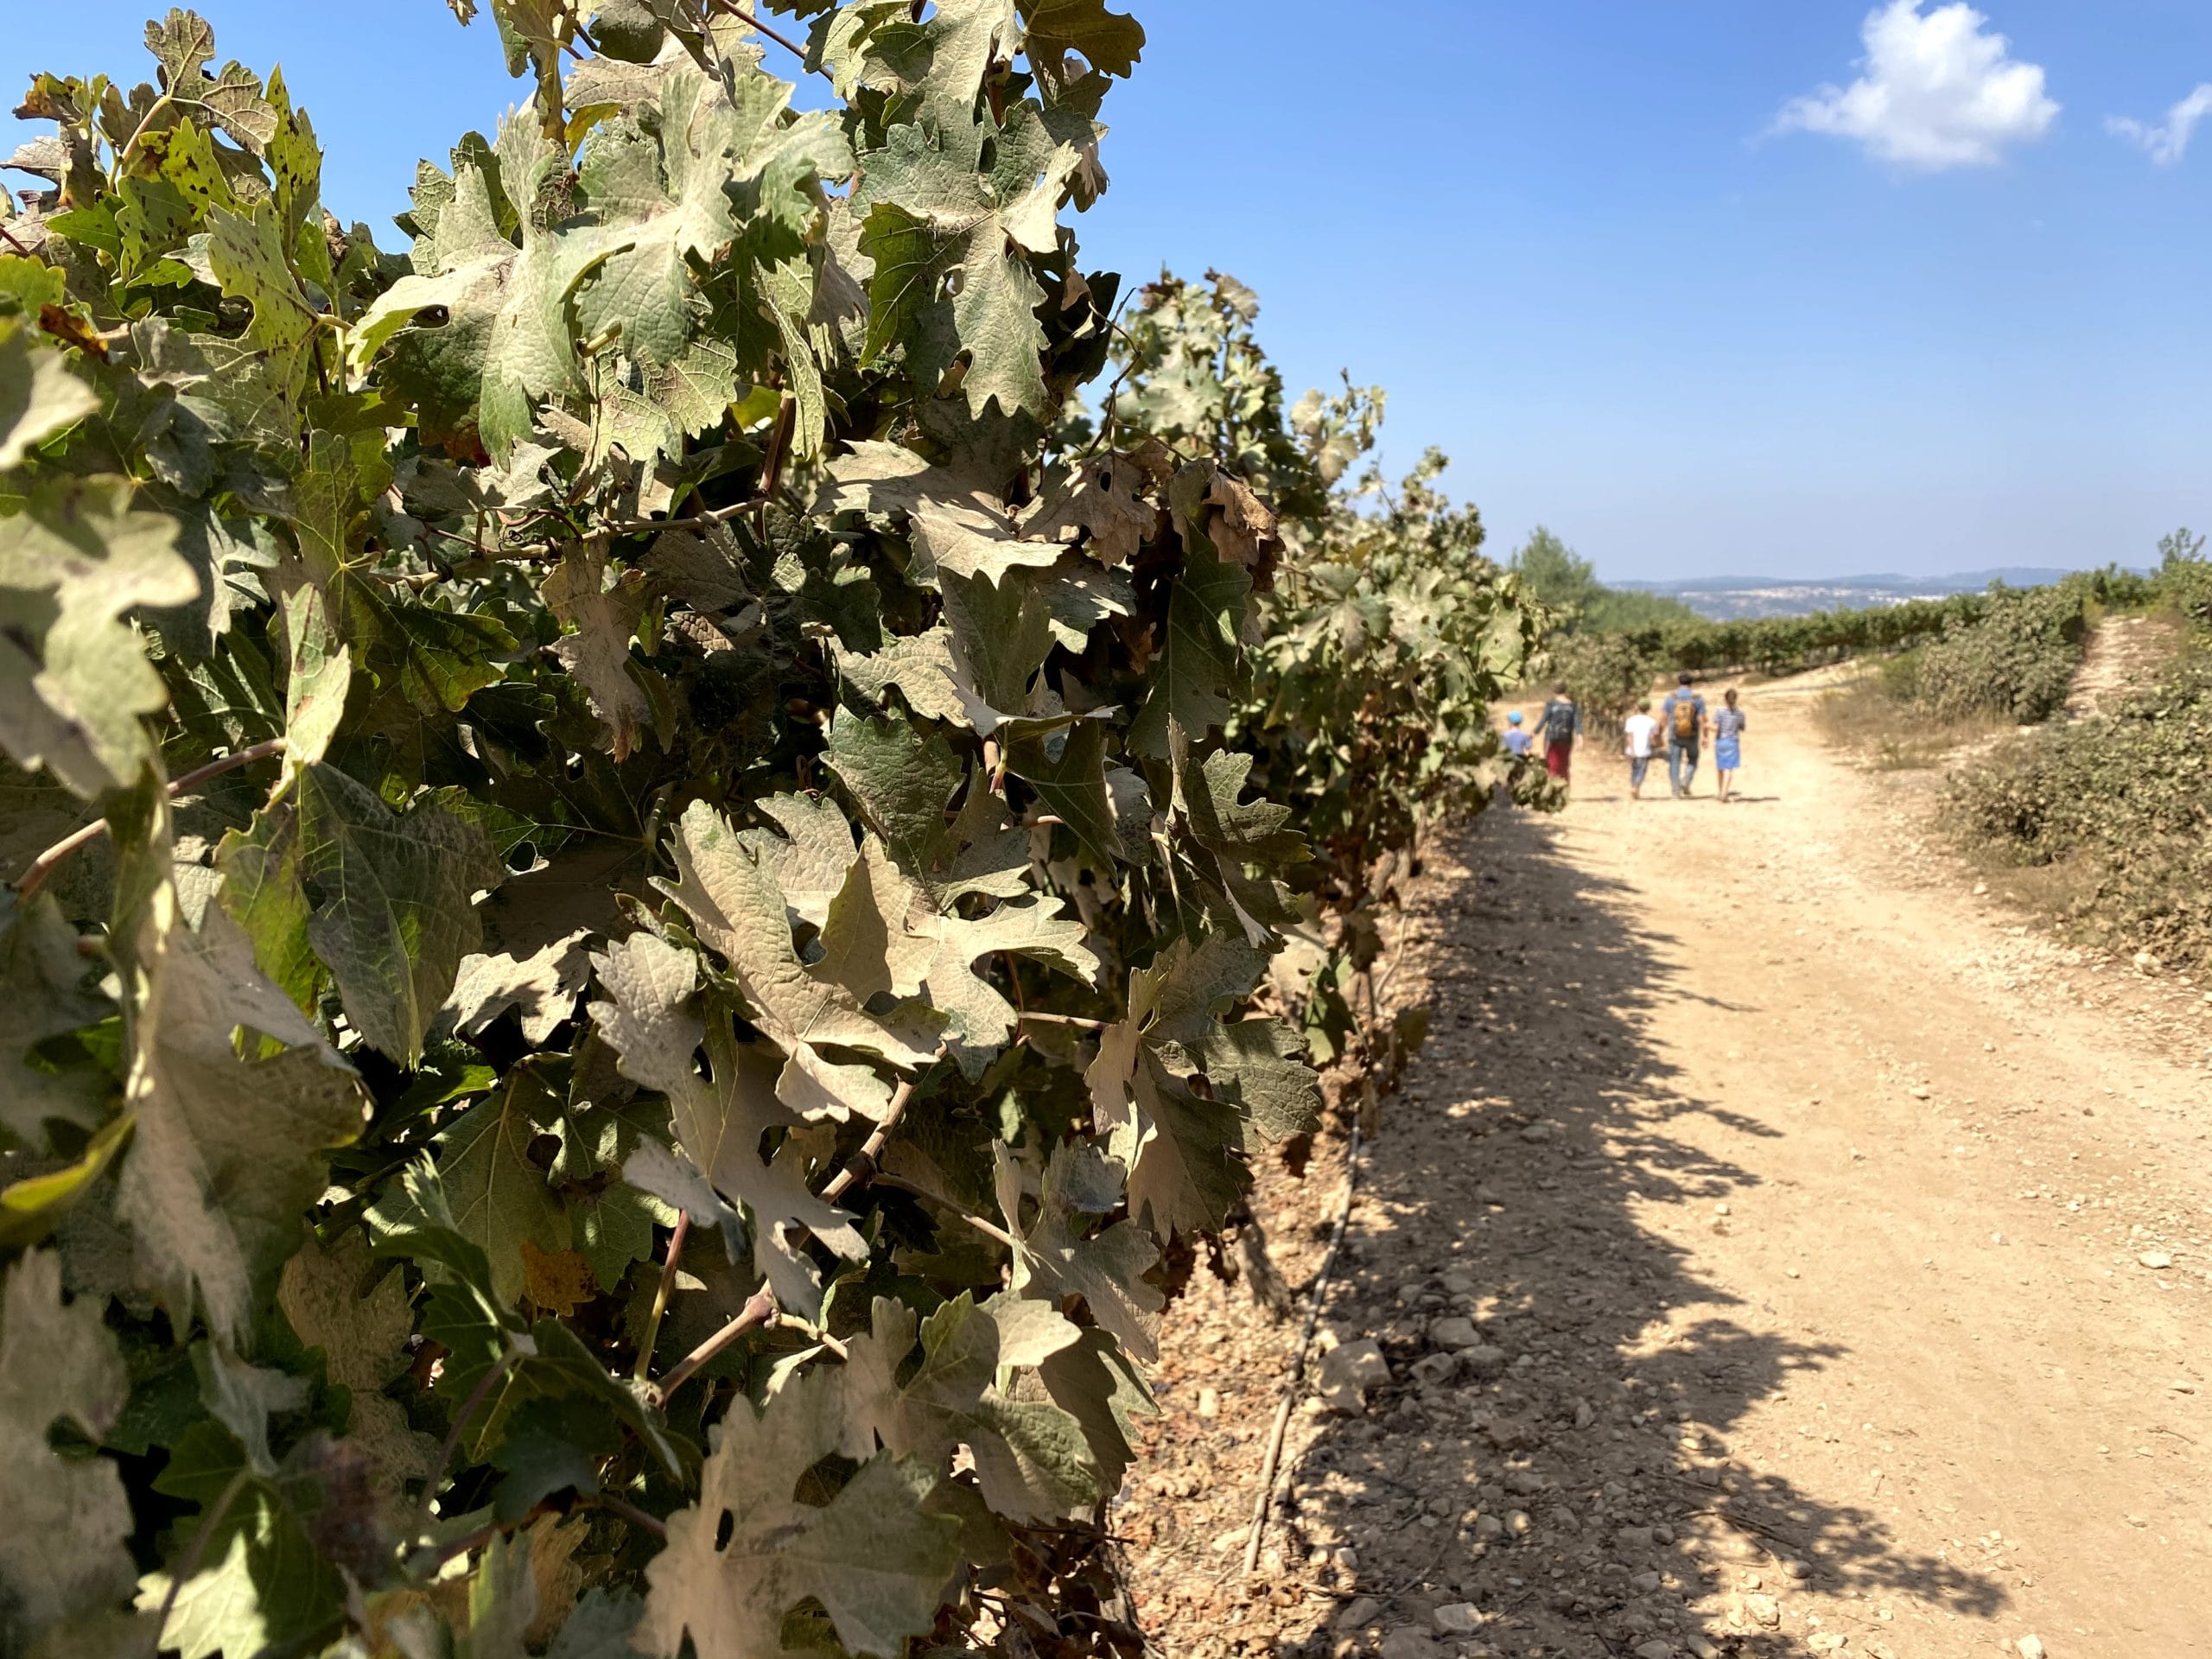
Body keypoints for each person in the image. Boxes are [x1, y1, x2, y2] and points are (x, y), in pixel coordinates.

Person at [1661, 672, 1707, 798]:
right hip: (1692, 735)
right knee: (1693, 758)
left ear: (1679, 682)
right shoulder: (1697, 698)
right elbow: (1702, 719)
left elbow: (1664, 719)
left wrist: (1659, 734)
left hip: (1675, 735)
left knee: (1674, 762)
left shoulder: (1671, 697)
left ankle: (1675, 791)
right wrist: (1705, 736)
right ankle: (1685, 781)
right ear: (1691, 683)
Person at [1536, 683, 1581, 786]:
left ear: (1554, 691)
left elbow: (1543, 720)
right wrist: (1580, 737)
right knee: (1564, 762)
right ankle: (1564, 786)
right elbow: (1577, 722)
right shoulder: (1573, 706)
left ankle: (1551, 787)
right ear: (1565, 690)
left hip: (1551, 738)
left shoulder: (1551, 705)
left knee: (1551, 762)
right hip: (1567, 738)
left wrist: (1534, 733)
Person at [1713, 687, 1747, 803]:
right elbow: (1742, 727)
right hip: (1732, 741)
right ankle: (1724, 793)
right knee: (1729, 768)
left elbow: (1716, 728)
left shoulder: (1719, 711)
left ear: (1725, 698)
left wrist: (1707, 727)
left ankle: (1720, 791)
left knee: (1720, 768)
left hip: (1720, 741)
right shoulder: (1740, 713)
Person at [1621, 697, 1659, 800]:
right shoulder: (1652, 722)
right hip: (1644, 750)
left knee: (1634, 770)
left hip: (1632, 750)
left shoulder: (1630, 720)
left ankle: (1634, 787)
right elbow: (1655, 737)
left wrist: (1631, 749)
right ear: (1649, 708)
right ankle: (1636, 787)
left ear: (1637, 707)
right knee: (1641, 771)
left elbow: (1629, 736)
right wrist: (1657, 744)